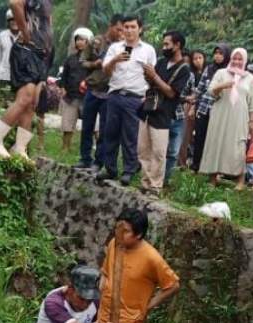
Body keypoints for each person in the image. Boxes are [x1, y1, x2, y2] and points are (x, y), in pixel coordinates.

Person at [95, 208, 180, 323]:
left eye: (125, 231)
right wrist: (103, 285)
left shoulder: (151, 258)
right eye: (117, 229)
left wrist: (147, 306)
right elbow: (106, 271)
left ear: (138, 234)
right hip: (104, 314)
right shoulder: (115, 243)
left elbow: (173, 285)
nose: (119, 234)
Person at [0, 0, 54, 160]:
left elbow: (47, 23)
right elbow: (15, 3)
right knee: (24, 98)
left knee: (32, 103)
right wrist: (25, 32)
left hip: (40, 51)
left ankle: (20, 147)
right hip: (26, 50)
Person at [97, 16, 157, 186]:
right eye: (126, 27)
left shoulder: (148, 50)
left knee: (130, 136)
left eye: (133, 27)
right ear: (122, 29)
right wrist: (115, 60)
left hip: (135, 98)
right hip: (115, 95)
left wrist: (149, 102)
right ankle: (110, 169)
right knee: (110, 133)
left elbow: (152, 77)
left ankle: (129, 170)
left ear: (140, 29)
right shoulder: (115, 48)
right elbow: (106, 71)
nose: (129, 30)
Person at [137, 30, 191, 195]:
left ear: (177, 45)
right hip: (148, 109)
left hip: (163, 114)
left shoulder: (184, 69)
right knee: (143, 149)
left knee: (159, 152)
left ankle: (156, 185)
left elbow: (171, 93)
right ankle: (145, 182)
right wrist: (147, 75)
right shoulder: (161, 62)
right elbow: (152, 83)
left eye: (167, 44)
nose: (164, 47)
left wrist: (154, 76)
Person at [199, 48, 253, 190]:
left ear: (244, 61)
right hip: (220, 113)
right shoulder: (221, 73)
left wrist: (252, 121)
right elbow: (210, 91)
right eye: (234, 59)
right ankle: (212, 178)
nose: (237, 62)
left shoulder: (249, 78)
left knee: (238, 146)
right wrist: (223, 85)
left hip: (240, 117)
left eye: (240, 59)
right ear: (230, 59)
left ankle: (240, 181)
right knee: (216, 142)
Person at [77, 16, 124, 170]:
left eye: (123, 30)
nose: (120, 32)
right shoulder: (96, 41)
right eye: (118, 29)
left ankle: (99, 162)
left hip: (110, 93)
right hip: (93, 90)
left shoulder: (123, 47)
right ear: (110, 26)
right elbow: (82, 62)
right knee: (87, 127)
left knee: (104, 130)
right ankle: (85, 158)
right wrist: (94, 64)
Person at [191, 44, 231, 172]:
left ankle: (212, 169)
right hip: (204, 108)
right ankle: (196, 165)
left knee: (215, 139)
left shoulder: (229, 72)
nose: (218, 56)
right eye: (216, 53)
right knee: (199, 137)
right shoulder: (209, 69)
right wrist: (192, 103)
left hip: (219, 110)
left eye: (221, 53)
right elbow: (201, 88)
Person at [59, 28, 94, 153]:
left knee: (94, 125)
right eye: (78, 39)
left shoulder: (93, 60)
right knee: (67, 123)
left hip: (88, 97)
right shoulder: (70, 59)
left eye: (83, 40)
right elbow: (64, 76)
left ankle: (94, 148)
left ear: (89, 41)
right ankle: (65, 147)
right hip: (71, 96)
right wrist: (62, 88)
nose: (80, 42)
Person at [177, 49, 207, 170]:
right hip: (189, 105)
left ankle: (201, 164)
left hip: (203, 107)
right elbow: (191, 91)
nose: (198, 61)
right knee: (185, 136)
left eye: (200, 58)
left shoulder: (208, 72)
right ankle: (181, 163)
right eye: (195, 59)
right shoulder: (190, 74)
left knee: (201, 136)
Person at [0, 9, 19, 86]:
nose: (14, 22)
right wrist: (0, 71)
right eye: (11, 19)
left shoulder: (24, 36)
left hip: (20, 76)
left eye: (17, 19)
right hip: (4, 75)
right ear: (8, 22)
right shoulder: (2, 35)